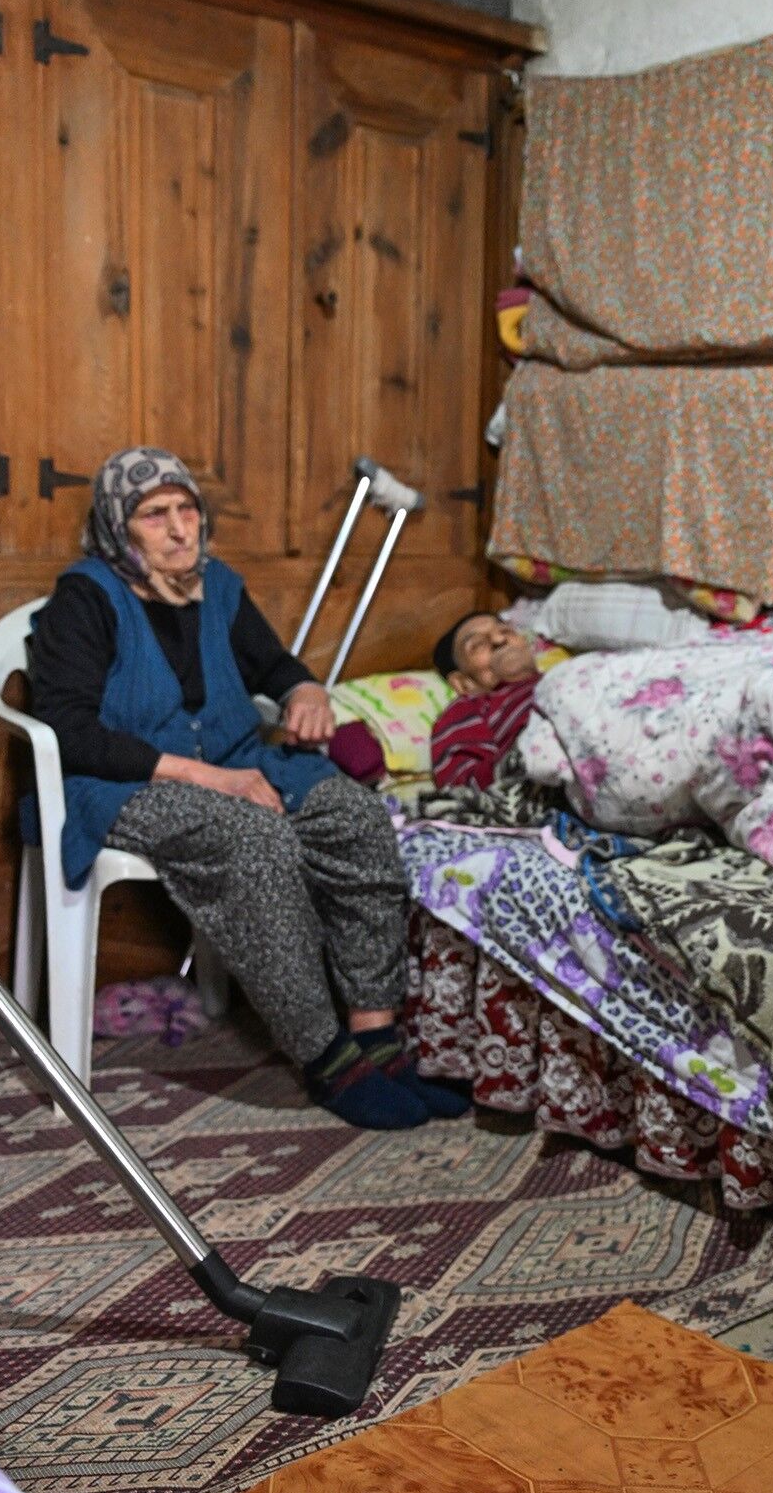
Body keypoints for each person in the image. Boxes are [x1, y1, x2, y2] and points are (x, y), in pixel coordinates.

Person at [24, 448, 466, 1128]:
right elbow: (69, 730)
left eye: (187, 509)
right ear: (119, 526)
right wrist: (205, 775)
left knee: (353, 811)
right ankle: (325, 1057)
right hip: (123, 782)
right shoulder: (84, 599)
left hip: (236, 761)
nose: (179, 529)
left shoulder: (217, 587)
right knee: (255, 838)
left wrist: (305, 689)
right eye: (154, 514)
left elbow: (276, 664)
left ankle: (376, 1034)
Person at [429, 612, 542, 791]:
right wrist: (527, 754)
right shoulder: (468, 708)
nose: (499, 640)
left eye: (506, 631)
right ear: (463, 683)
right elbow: (463, 788)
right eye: (478, 644)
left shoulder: (565, 673)